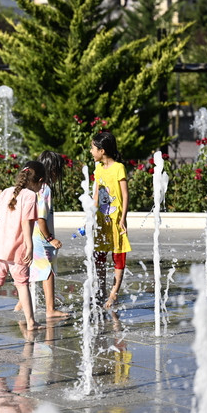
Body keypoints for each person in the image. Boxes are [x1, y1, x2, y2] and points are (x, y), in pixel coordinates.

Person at [0, 161, 46, 331]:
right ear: (39, 180)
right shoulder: (31, 197)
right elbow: (25, 223)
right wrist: (30, 247)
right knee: (22, 284)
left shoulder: (7, 192)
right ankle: (30, 322)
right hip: (18, 250)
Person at [14, 151, 69, 319]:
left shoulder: (28, 188)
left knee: (31, 270)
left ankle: (21, 303)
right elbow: (41, 218)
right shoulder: (44, 189)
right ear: (52, 171)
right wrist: (50, 238)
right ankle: (50, 309)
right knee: (48, 273)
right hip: (40, 236)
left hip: (30, 234)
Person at [90, 132, 132, 309]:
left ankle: (113, 293)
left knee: (118, 256)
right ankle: (101, 289)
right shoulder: (98, 168)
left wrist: (123, 218)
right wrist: (91, 215)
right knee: (99, 256)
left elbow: (125, 194)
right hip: (102, 221)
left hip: (116, 221)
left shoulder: (119, 168)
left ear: (102, 150)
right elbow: (97, 193)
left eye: (93, 148)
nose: (91, 151)